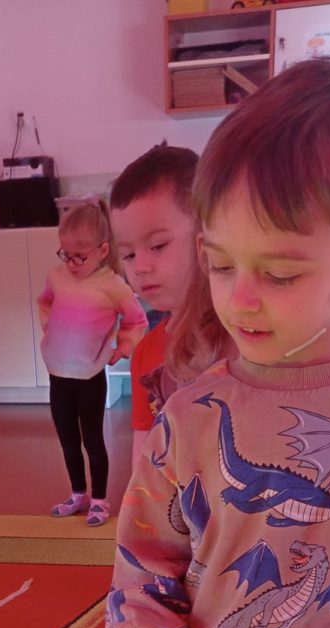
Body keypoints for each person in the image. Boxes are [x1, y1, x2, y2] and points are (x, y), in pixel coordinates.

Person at [50, 57, 330, 628]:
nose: (240, 300)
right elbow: (149, 554)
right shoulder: (189, 410)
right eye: (220, 265)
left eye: (279, 273)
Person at [109, 143, 229, 469]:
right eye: (128, 255)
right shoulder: (146, 354)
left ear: (206, 235)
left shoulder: (245, 335)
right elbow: (143, 449)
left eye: (158, 245)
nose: (140, 267)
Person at [37, 197, 147, 527]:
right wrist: (50, 332)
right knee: (68, 440)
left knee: (92, 440)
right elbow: (45, 303)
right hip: (58, 373)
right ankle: (78, 494)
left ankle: (99, 499)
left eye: (79, 256)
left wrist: (122, 348)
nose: (71, 263)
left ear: (102, 251)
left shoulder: (114, 286)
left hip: (89, 376)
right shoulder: (57, 277)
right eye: (65, 254)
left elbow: (137, 320)